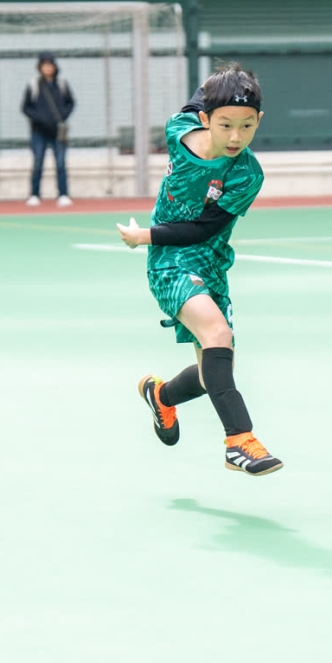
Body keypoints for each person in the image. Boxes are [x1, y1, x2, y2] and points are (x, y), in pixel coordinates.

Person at [116, 63, 282, 476]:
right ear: (206, 120)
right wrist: (146, 238)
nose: (235, 137)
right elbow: (202, 95)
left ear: (259, 120)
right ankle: (239, 442)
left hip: (210, 261)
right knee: (217, 335)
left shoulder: (247, 174)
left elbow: (205, 228)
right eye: (226, 125)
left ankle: (161, 396)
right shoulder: (179, 131)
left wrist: (240, 78)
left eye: (247, 126)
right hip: (169, 260)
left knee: (214, 373)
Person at [21, 51, 75, 207]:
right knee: (38, 162)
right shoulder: (33, 85)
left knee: (60, 163)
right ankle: (34, 194)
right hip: (39, 131)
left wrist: (62, 117)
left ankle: (63, 194)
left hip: (57, 131)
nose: (47, 68)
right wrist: (39, 118)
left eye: (50, 65)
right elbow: (26, 107)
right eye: (44, 65)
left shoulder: (62, 84)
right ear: (40, 67)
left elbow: (70, 103)